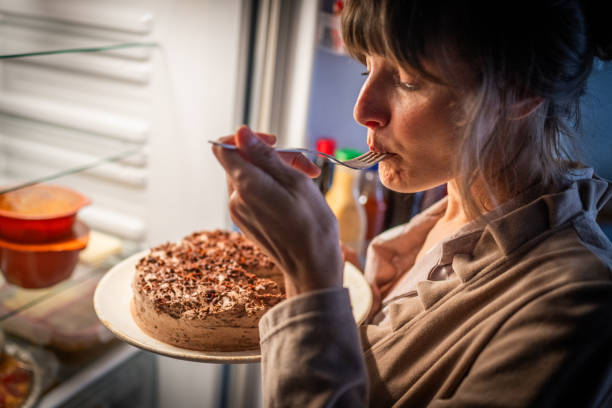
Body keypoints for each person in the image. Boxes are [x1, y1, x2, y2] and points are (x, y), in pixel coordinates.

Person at [212, 0, 612, 406]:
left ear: (519, 91)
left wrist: (309, 280)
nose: (362, 110)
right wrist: (331, 281)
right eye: (367, 69)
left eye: (406, 80)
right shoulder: (453, 212)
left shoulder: (576, 306)